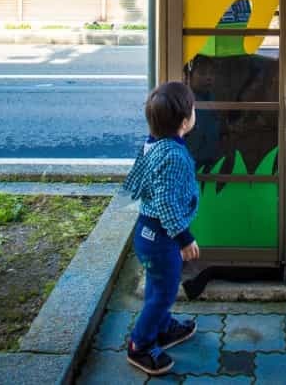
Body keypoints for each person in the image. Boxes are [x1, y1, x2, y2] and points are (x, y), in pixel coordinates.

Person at [123, 80, 200, 377]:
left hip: (147, 232)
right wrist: (184, 238)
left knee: (158, 286)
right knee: (163, 293)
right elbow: (167, 203)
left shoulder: (153, 142)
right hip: (162, 237)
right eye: (192, 109)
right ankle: (140, 344)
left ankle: (163, 326)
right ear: (185, 121)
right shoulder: (175, 156)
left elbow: (137, 180)